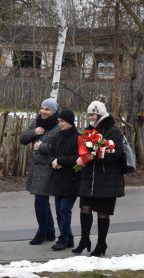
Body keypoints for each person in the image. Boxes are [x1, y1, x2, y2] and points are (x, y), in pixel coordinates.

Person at [73, 96, 125, 257]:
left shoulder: (113, 131)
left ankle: (101, 243)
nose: (91, 118)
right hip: (89, 178)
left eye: (93, 115)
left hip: (107, 180)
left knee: (102, 212)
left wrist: (96, 154)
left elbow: (116, 154)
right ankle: (84, 240)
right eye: (89, 115)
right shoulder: (88, 131)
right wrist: (83, 156)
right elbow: (82, 148)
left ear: (101, 114)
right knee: (84, 208)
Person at [19, 98, 60, 245]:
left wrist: (43, 147)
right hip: (36, 169)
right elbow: (22, 139)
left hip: (49, 169)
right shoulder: (37, 123)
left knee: (40, 201)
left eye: (47, 109)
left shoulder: (59, 126)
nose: (43, 111)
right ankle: (49, 232)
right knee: (42, 201)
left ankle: (42, 232)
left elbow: (62, 148)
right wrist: (34, 132)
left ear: (54, 112)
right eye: (42, 108)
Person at [47, 109, 81, 250]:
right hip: (58, 179)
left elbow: (78, 158)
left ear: (70, 122)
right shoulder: (57, 137)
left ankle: (62, 239)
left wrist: (60, 161)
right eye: (59, 121)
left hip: (71, 180)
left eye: (63, 121)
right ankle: (69, 238)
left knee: (65, 209)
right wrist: (53, 162)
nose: (60, 124)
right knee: (59, 211)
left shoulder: (78, 138)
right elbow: (49, 155)